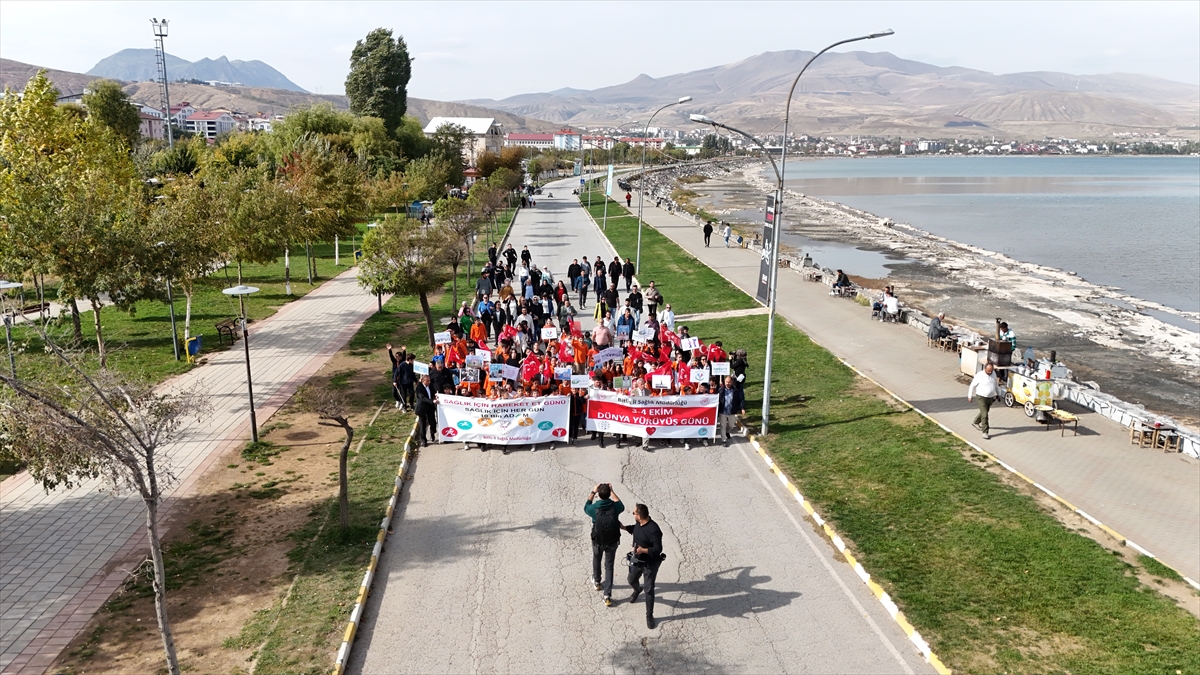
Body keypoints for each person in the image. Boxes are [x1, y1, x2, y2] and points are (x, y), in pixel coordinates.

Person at [623, 503, 664, 629]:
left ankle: (649, 615)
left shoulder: (653, 529)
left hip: (650, 564)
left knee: (649, 589)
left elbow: (658, 549)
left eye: (634, 513)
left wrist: (643, 550)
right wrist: (623, 527)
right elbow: (635, 531)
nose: (633, 514)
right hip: (637, 561)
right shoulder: (638, 523)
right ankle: (636, 590)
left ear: (639, 516)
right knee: (631, 579)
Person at [585, 483, 625, 607]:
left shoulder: (594, 508)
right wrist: (612, 490)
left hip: (598, 540)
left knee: (596, 558)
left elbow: (586, 507)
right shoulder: (615, 507)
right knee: (609, 566)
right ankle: (607, 596)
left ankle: (597, 582)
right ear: (609, 494)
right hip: (612, 541)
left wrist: (593, 492)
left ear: (599, 495)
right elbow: (621, 505)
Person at [967, 362, 999, 440]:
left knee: (984, 412)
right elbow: (972, 386)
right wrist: (969, 396)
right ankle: (985, 432)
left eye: (991, 371)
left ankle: (975, 422)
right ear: (985, 368)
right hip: (981, 397)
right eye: (988, 371)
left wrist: (998, 394)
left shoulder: (993, 374)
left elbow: (995, 384)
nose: (990, 372)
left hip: (990, 397)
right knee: (985, 415)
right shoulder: (979, 375)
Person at [717, 376, 744, 446]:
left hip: (731, 411)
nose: (727, 383)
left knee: (731, 425)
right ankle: (724, 440)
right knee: (723, 426)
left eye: (729, 382)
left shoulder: (735, 391)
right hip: (722, 411)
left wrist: (742, 408)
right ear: (724, 382)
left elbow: (740, 400)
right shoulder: (721, 390)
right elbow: (716, 398)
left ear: (731, 382)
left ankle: (727, 431)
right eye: (726, 382)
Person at [414, 373, 438, 446]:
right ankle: (423, 440)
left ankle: (432, 432)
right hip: (422, 407)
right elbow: (422, 398)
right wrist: (431, 401)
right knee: (422, 425)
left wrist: (435, 396)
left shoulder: (431, 385)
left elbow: (433, 392)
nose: (429, 382)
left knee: (433, 422)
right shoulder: (419, 388)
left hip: (430, 407)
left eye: (429, 381)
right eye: (427, 381)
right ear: (423, 381)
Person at [387, 344, 410, 410]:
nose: (396, 357)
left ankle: (402, 403)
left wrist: (404, 350)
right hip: (395, 379)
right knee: (394, 392)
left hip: (401, 379)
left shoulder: (402, 362)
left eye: (398, 356)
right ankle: (398, 400)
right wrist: (389, 350)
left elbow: (404, 356)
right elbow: (391, 356)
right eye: (396, 356)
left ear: (400, 357)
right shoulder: (394, 362)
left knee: (401, 392)